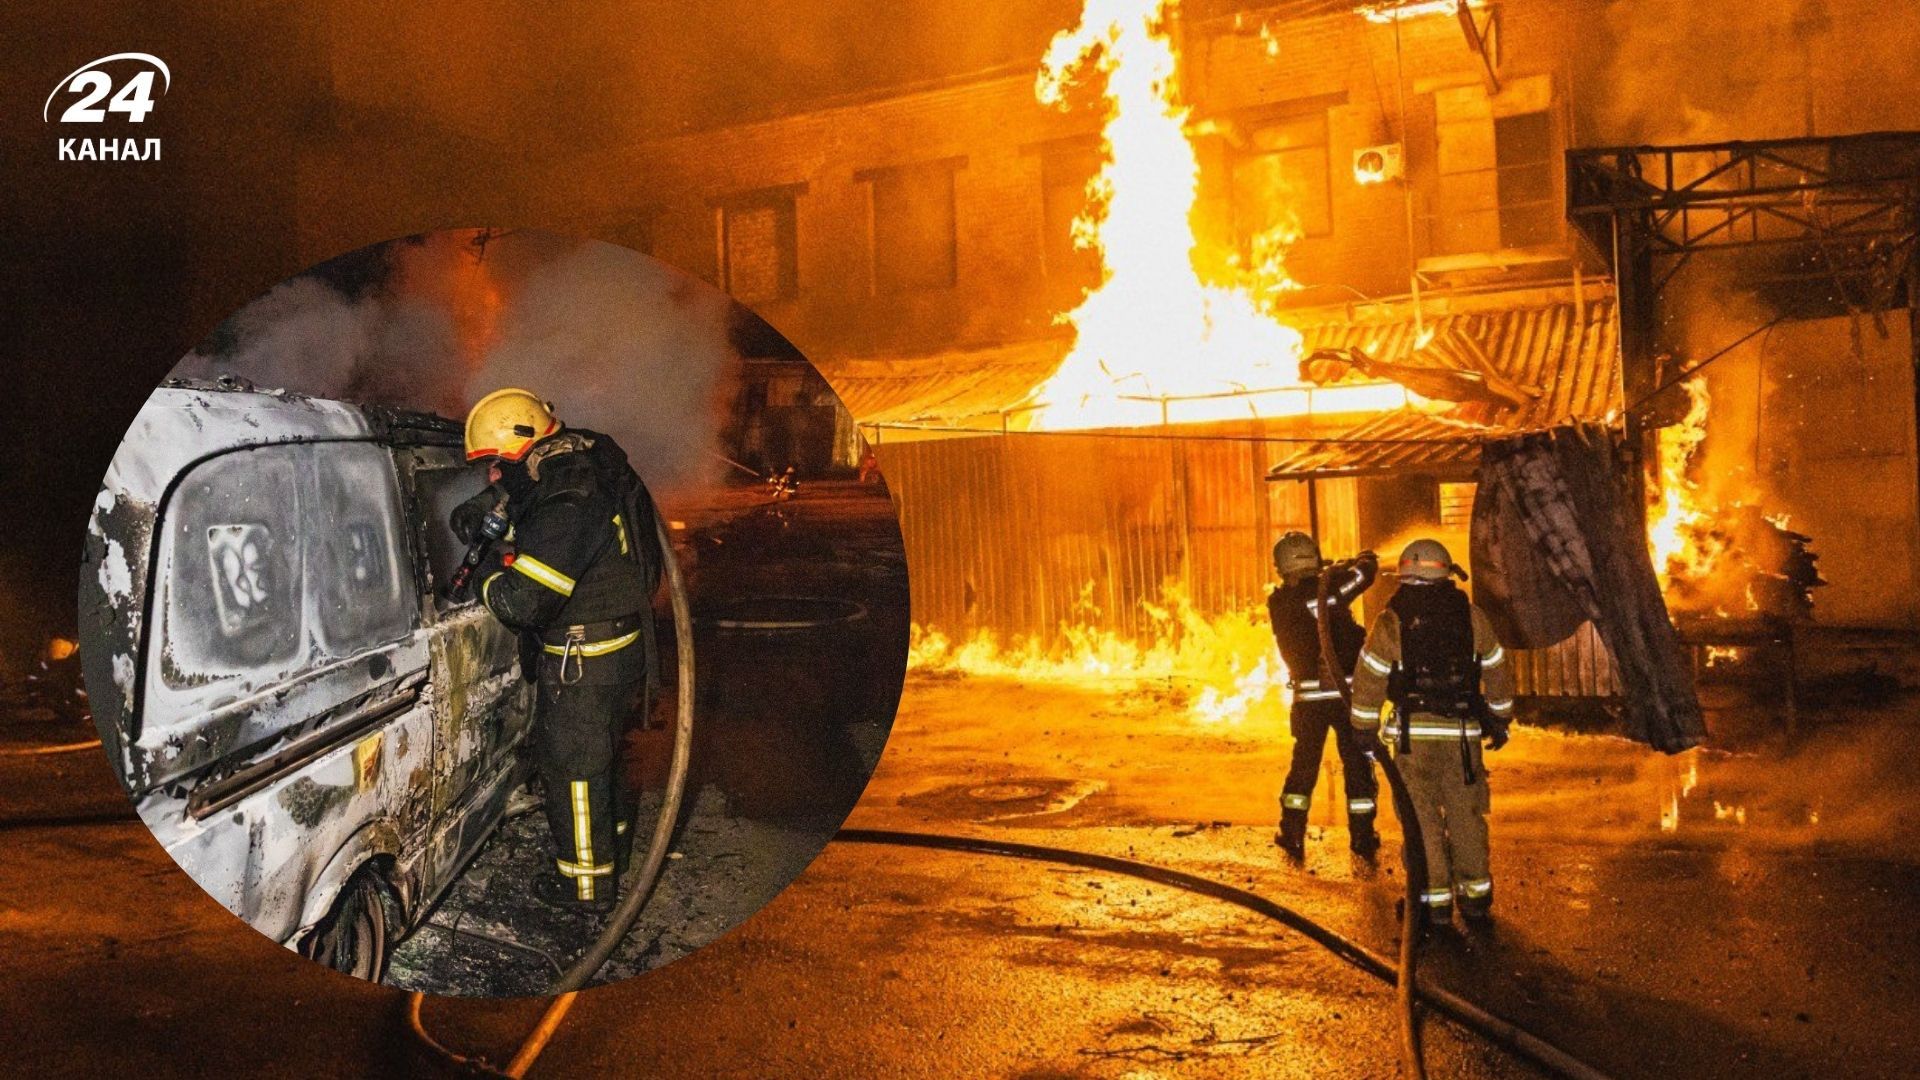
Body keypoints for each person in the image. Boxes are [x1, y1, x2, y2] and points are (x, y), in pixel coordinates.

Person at [453, 388, 662, 911]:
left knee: (573, 771)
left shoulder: (569, 502)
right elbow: (531, 505)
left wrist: (482, 572)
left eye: (497, 465)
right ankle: (609, 850)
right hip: (615, 645)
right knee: (601, 759)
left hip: (585, 658)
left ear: (521, 449)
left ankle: (586, 888)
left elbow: (522, 602)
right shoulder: (580, 460)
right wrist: (487, 509)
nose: (492, 476)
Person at [1346, 538, 1515, 930]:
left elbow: (1370, 677)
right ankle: (1475, 899)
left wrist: (1363, 729)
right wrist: (1500, 717)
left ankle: (1433, 904)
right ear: (1446, 573)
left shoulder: (1392, 620)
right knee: (1467, 817)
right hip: (1462, 739)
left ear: (1405, 575)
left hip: (1413, 742)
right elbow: (1497, 667)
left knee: (1421, 821)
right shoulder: (1471, 616)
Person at [1266, 531, 1381, 859]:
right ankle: (1362, 836)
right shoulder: (1326, 591)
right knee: (1357, 764)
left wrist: (1335, 572)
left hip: (1307, 701)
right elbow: (1362, 577)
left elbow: (1329, 591)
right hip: (1344, 695)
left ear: (1282, 566)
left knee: (1304, 765)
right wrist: (1364, 559)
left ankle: (1292, 831)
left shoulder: (1279, 602)